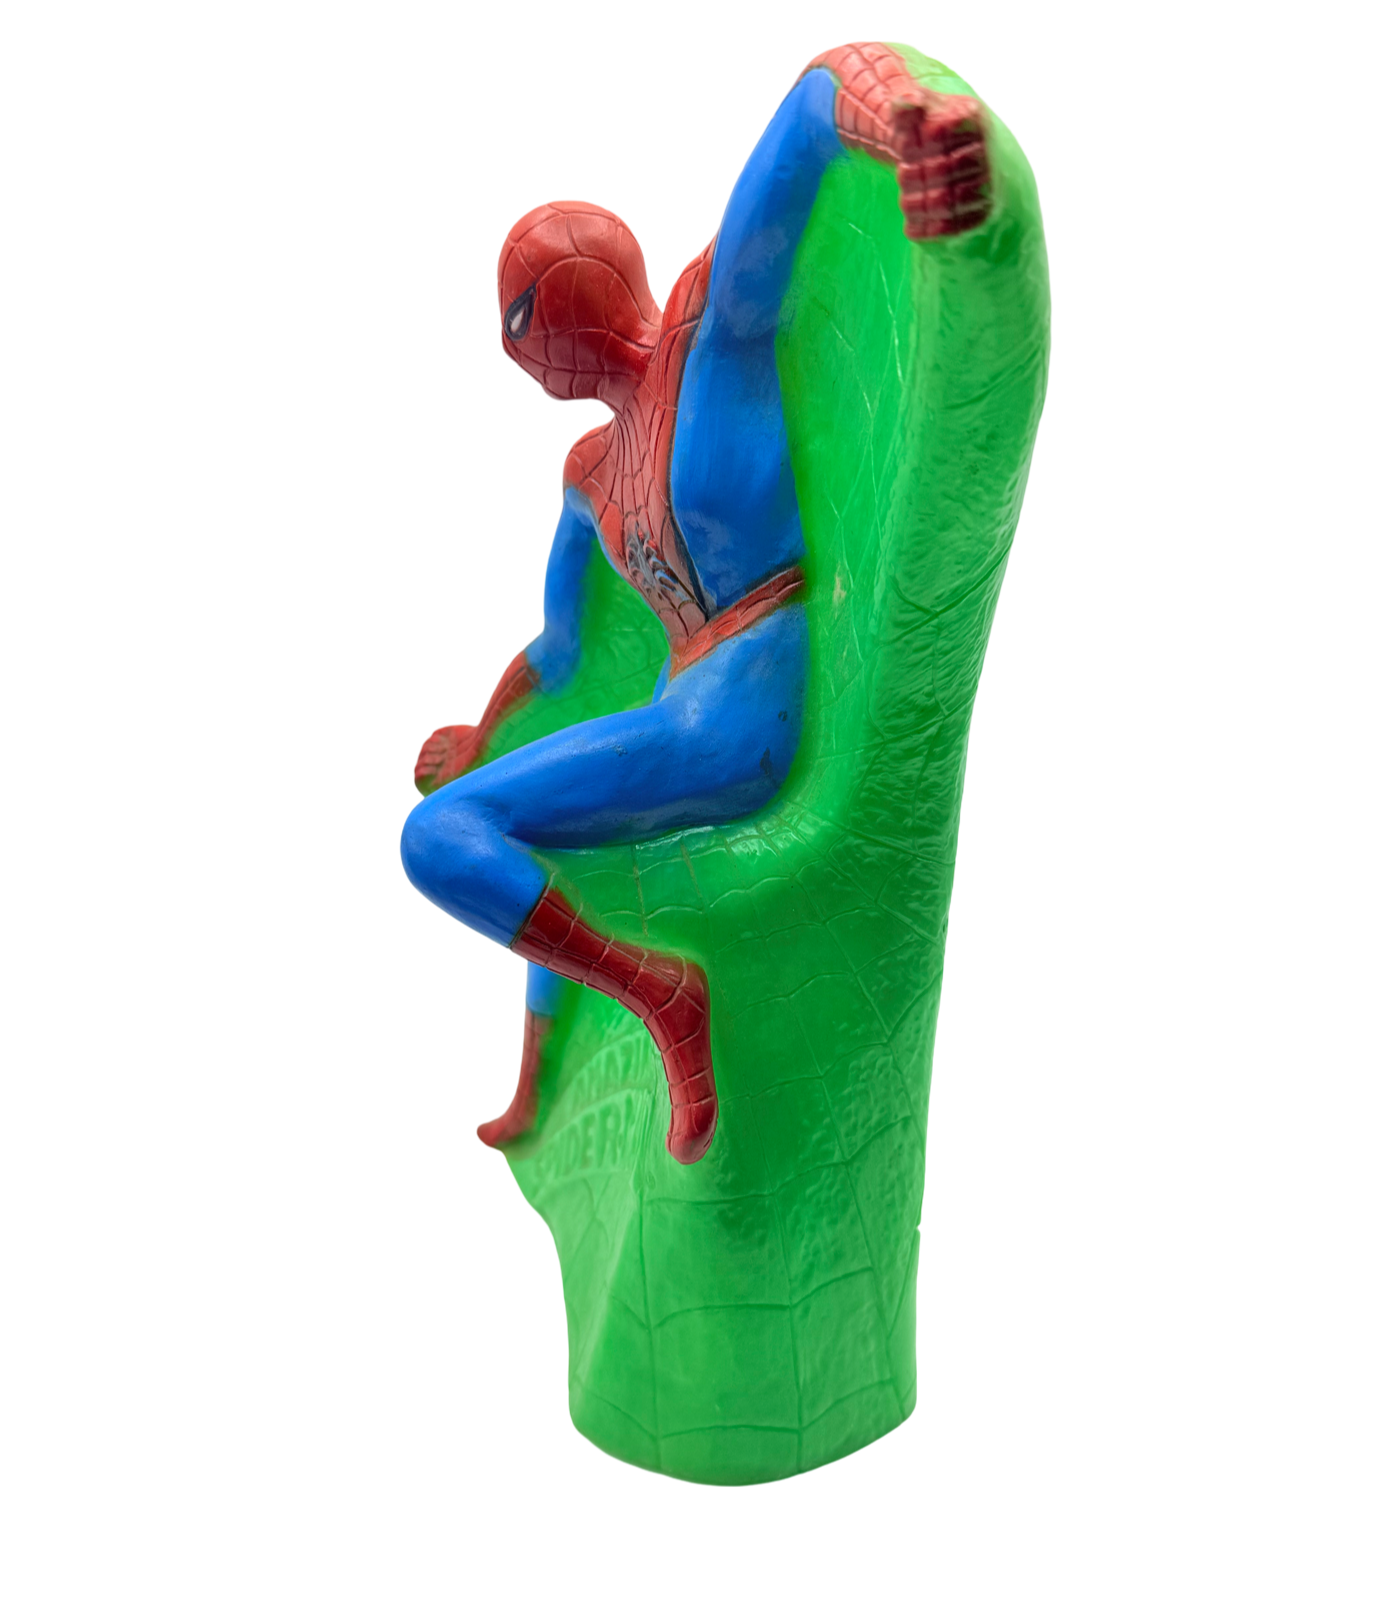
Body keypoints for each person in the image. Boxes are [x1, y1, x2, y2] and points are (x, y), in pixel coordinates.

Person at [402, 44, 991, 1163]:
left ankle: (663, 998)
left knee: (440, 837)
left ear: (552, 314)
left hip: (741, 705)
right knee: (528, 835)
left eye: (513, 321)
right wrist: (478, 737)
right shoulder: (589, 479)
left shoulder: (707, 334)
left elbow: (814, 106)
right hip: (686, 709)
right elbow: (559, 652)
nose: (515, 353)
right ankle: (537, 1082)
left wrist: (905, 121)